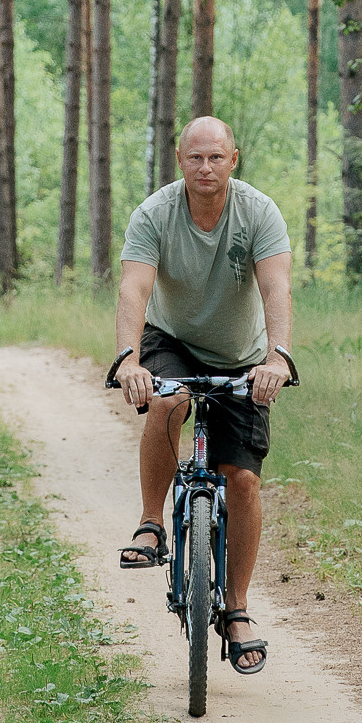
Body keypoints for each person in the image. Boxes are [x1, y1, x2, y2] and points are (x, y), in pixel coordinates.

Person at [110, 115, 293, 674]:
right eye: (195, 157)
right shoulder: (155, 213)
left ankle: (236, 609)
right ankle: (152, 523)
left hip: (243, 354)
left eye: (216, 157)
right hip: (173, 341)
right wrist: (128, 360)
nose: (206, 167)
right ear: (180, 160)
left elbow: (276, 286)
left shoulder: (258, 212)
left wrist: (278, 358)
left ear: (233, 159)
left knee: (243, 480)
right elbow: (134, 286)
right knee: (169, 401)